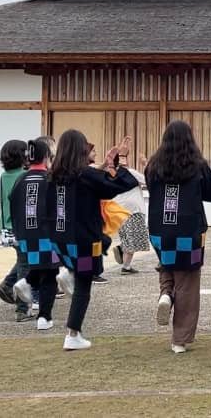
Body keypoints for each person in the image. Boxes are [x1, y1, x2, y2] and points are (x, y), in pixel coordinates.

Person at [49, 130, 139, 351]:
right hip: (85, 240)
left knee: (80, 274)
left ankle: (66, 271)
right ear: (81, 150)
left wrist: (105, 165)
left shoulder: (54, 176)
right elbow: (115, 186)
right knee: (84, 286)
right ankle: (73, 333)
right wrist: (121, 161)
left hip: (60, 239)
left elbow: (92, 179)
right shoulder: (84, 175)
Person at [145, 121, 211, 354]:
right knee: (188, 281)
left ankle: (166, 294)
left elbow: (151, 188)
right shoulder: (197, 166)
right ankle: (179, 339)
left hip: (160, 230)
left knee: (166, 263)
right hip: (189, 231)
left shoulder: (153, 165)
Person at [8, 138, 59, 331]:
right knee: (50, 274)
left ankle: (26, 281)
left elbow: (13, 207)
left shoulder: (20, 180)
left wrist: (18, 233)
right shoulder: (50, 178)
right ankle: (44, 317)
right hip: (48, 235)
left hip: (25, 236)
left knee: (42, 267)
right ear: (46, 157)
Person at [0, 139, 34, 321]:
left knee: (23, 260)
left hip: (7, 226)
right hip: (22, 227)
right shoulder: (25, 175)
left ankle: (7, 284)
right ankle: (22, 307)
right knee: (26, 265)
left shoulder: (4, 176)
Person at [112, 155, 149, 275]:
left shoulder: (111, 174)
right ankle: (126, 266)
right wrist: (146, 164)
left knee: (128, 237)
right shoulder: (130, 172)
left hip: (118, 210)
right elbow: (148, 180)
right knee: (134, 239)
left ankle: (122, 249)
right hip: (134, 210)